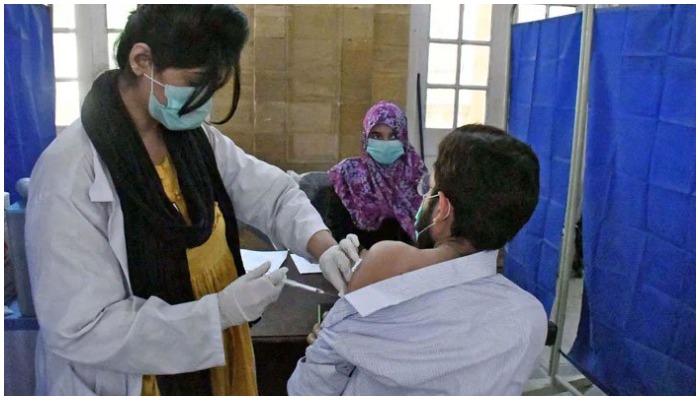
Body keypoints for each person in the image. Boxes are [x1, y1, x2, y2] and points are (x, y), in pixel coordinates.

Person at [25, 5, 358, 396]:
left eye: (213, 88)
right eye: (195, 82)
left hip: (215, 356)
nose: (204, 103)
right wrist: (217, 313)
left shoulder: (192, 139)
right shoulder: (70, 173)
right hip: (135, 376)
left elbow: (273, 193)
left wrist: (325, 248)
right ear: (141, 60)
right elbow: (82, 329)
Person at [288, 124, 547, 395]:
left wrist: (329, 335)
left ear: (442, 208)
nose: (423, 198)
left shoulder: (384, 264)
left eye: (429, 189)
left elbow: (309, 388)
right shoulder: (530, 318)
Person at [325, 101, 428, 250]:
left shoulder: (416, 173)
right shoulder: (346, 175)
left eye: (393, 136)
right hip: (360, 263)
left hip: (409, 263)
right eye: (377, 136)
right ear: (365, 138)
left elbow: (428, 228)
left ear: (403, 138)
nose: (385, 143)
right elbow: (337, 231)